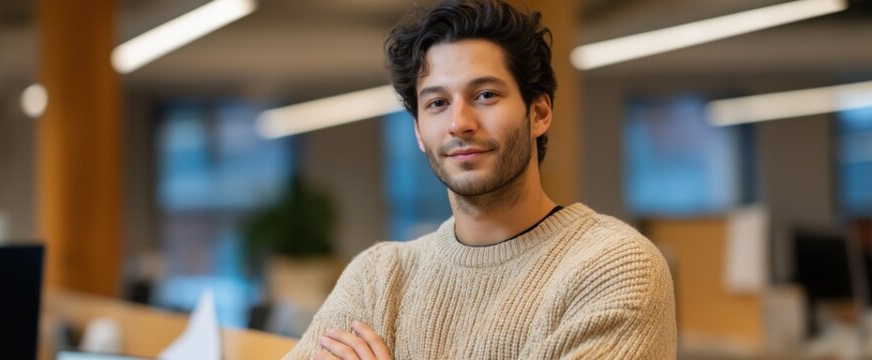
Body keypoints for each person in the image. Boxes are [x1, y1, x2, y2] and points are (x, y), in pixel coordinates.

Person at [283, 0, 676, 358]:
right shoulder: (378, 277)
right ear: (419, 132)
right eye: (437, 103)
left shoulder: (611, 266)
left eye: (486, 95)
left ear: (538, 113)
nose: (459, 124)